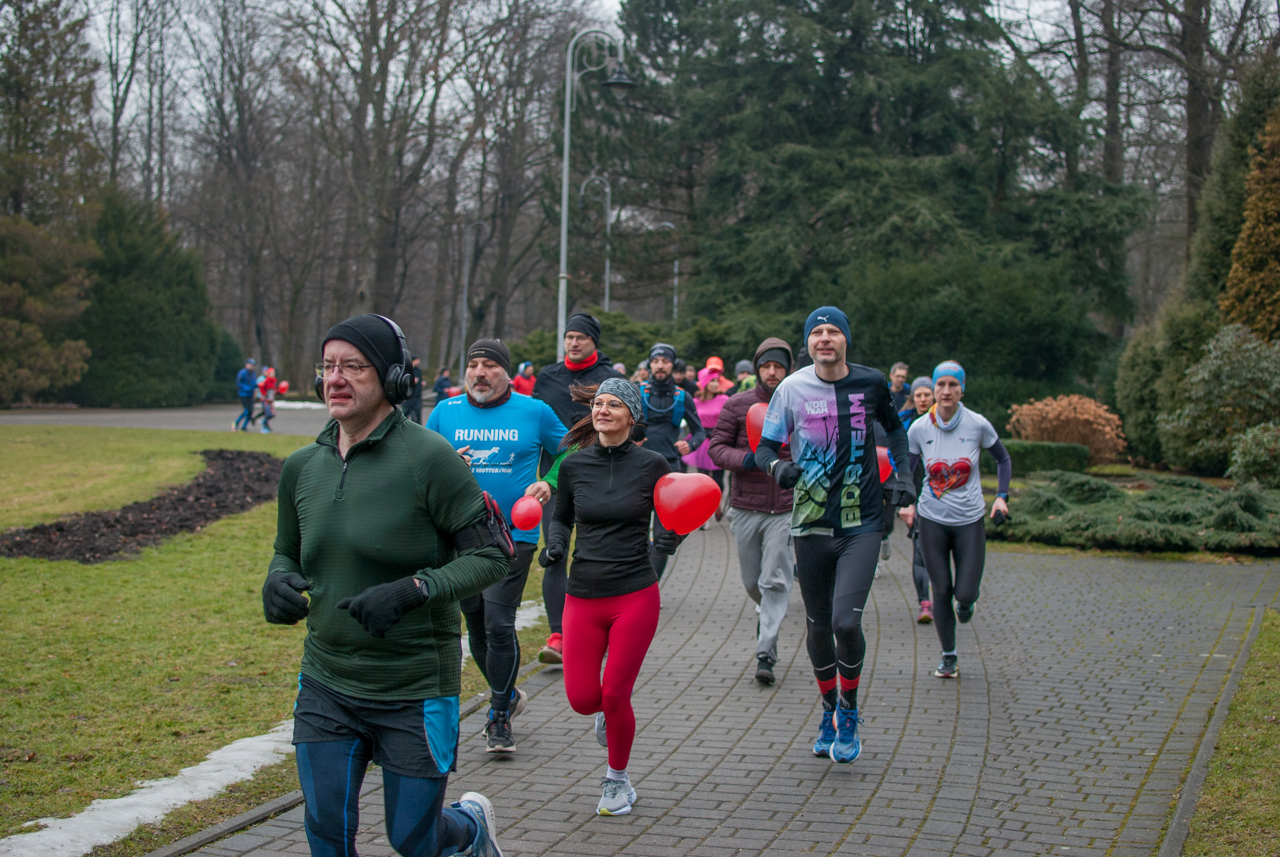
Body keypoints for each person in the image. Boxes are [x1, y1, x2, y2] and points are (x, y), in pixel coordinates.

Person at [262, 313, 508, 857]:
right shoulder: (302, 467)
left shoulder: (430, 459)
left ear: (394, 379)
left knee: (413, 840)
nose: (336, 379)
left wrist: (412, 590)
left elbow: (494, 555)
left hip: (413, 685)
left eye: (354, 366)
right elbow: (286, 548)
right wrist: (277, 579)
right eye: (328, 366)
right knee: (326, 833)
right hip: (327, 679)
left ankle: (470, 830)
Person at [755, 307, 914, 765]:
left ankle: (849, 708)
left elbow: (897, 434)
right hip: (809, 523)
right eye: (817, 333)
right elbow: (764, 447)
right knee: (818, 626)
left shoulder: (871, 383)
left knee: (847, 623)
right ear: (808, 343)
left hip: (861, 522)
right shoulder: (791, 388)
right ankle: (828, 710)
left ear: (846, 340)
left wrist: (903, 475)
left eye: (834, 332)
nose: (825, 339)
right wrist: (778, 466)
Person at [538, 378, 673, 816]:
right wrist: (555, 545)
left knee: (615, 692)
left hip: (634, 592)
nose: (603, 410)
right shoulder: (575, 466)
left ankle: (617, 781)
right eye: (598, 404)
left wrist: (665, 543)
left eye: (614, 405)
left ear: (632, 416)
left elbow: (673, 514)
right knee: (582, 698)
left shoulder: (653, 464)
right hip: (582, 595)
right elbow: (560, 519)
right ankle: (607, 716)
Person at [426, 338, 568, 753]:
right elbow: (418, 463)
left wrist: (549, 481)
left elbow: (573, 448)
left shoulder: (534, 410)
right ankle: (507, 695)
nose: (480, 373)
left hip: (512, 534)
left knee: (499, 624)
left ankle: (498, 716)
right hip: (458, 535)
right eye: (473, 365)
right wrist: (448, 462)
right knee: (475, 624)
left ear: (506, 373)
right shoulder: (443, 412)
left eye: (490, 365)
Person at [899, 361, 1011, 680]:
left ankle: (967, 604)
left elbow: (1002, 458)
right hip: (932, 520)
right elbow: (907, 467)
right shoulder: (920, 428)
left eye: (953, 385)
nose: (946, 391)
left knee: (964, 593)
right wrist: (906, 502)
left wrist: (1001, 495)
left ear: (963, 389)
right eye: (941, 385)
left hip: (969, 521)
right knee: (941, 589)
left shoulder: (977, 424)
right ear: (933, 389)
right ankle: (949, 656)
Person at [532, 313, 624, 664]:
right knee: (554, 552)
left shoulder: (610, 379)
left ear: (593, 342)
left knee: (594, 553)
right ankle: (557, 635)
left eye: (581, 337)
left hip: (600, 477)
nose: (573, 342)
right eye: (569, 336)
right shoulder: (548, 376)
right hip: (553, 478)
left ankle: (598, 628)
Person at [708, 337, 795, 685]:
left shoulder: (799, 401)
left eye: (779, 366)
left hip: (786, 508)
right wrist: (748, 460)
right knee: (752, 582)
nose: (772, 372)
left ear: (788, 369)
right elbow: (716, 448)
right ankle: (768, 613)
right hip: (745, 507)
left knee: (774, 579)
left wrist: (793, 469)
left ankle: (765, 653)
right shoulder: (737, 404)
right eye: (766, 366)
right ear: (757, 369)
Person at [641, 343, 706, 578]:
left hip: (670, 472)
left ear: (672, 365)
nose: (660, 366)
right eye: (656, 361)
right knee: (634, 534)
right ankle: (639, 583)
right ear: (650, 364)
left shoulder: (682, 396)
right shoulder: (638, 393)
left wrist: (690, 444)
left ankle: (651, 585)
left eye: (665, 361)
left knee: (663, 537)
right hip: (638, 470)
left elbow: (699, 432)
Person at [899, 377, 936, 624]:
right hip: (918, 497)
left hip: (945, 498)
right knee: (920, 553)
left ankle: (948, 595)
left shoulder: (945, 422)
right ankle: (925, 603)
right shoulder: (905, 424)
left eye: (927, 394)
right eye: (918, 395)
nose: (923, 399)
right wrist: (906, 500)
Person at [681, 368, 730, 494]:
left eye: (717, 381)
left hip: (717, 440)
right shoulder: (696, 401)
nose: (715, 384)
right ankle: (705, 506)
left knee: (719, 478)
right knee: (702, 478)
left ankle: (718, 502)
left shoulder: (724, 399)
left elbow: (729, 420)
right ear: (705, 383)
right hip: (702, 441)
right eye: (712, 380)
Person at [233, 358, 257, 431]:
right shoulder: (242, 373)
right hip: (243, 394)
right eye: (250, 365)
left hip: (250, 395)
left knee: (250, 412)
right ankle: (236, 423)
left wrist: (257, 386)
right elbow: (238, 383)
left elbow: (253, 383)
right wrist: (246, 388)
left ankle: (244, 427)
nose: (252, 367)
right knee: (246, 411)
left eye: (253, 365)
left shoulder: (253, 374)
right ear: (246, 365)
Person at [401, 354, 425, 424]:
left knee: (417, 413)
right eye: (417, 360)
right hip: (409, 395)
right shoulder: (407, 370)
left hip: (417, 395)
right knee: (406, 412)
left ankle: (417, 426)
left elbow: (420, 379)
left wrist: (421, 382)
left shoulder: (418, 370)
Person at [257, 367, 278, 433]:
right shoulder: (266, 381)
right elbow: (261, 388)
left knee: (272, 414)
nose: (273, 374)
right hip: (265, 400)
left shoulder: (274, 381)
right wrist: (265, 395)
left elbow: (273, 390)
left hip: (271, 400)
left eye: (273, 373)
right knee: (268, 414)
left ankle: (263, 422)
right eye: (271, 373)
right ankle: (264, 427)